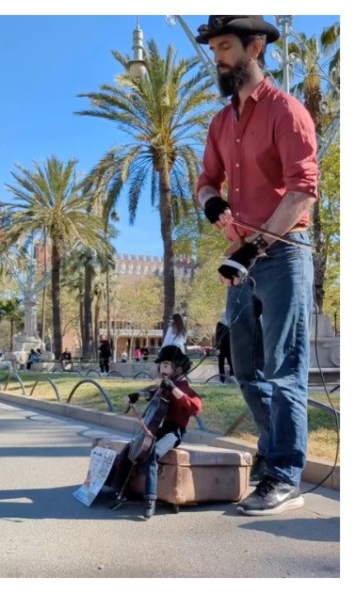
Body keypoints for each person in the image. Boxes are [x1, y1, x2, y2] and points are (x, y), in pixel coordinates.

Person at [194, 15, 317, 515]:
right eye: (215, 49)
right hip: (240, 259)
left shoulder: (287, 112)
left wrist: (253, 246)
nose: (218, 57)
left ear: (257, 46)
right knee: (244, 369)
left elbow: (302, 190)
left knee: (285, 368)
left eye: (226, 47)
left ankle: (283, 473)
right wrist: (214, 207)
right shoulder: (221, 122)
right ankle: (273, 456)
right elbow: (205, 182)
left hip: (283, 255)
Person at [124, 345, 203, 520]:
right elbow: (152, 393)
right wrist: (137, 395)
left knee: (152, 453)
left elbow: (195, 407)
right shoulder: (165, 386)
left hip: (175, 432)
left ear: (178, 368)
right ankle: (119, 488)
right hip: (162, 428)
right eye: (161, 365)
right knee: (131, 449)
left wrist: (174, 388)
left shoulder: (182, 387)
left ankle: (150, 499)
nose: (162, 369)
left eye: (166, 365)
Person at [215, 309, 233, 383]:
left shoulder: (231, 323)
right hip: (224, 347)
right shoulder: (221, 324)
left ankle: (231, 378)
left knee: (230, 363)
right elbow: (218, 337)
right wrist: (217, 347)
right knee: (223, 363)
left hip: (226, 347)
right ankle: (222, 379)